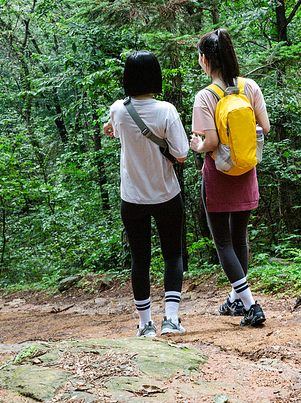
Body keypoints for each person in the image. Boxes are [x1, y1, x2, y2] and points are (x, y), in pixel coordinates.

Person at [103, 50, 188, 338]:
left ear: (127, 78)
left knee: (140, 259)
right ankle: (172, 320)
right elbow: (182, 154)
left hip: (133, 198)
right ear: (155, 76)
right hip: (166, 194)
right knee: (172, 254)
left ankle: (144, 325)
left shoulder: (118, 109)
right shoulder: (166, 111)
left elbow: (113, 130)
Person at [189, 28, 270, 327]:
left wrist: (198, 145)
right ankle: (236, 300)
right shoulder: (250, 87)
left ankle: (250, 304)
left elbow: (209, 142)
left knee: (222, 242)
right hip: (246, 168)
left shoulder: (205, 97)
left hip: (219, 173)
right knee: (240, 238)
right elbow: (266, 127)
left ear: (207, 60)